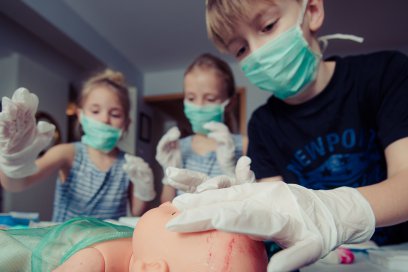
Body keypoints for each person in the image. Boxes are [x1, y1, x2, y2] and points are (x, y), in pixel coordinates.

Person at [164, 0, 408, 271]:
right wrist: (248, 204)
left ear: (312, 11)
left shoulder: (386, 74)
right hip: (318, 259)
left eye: (268, 26)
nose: (258, 52)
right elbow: (278, 215)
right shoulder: (262, 126)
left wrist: (337, 211)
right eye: (241, 49)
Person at [0, 69, 156, 222]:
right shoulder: (67, 153)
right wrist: (13, 160)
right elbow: (17, 185)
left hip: (107, 245)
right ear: (80, 115)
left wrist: (144, 190)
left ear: (127, 122)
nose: (104, 119)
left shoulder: (130, 164)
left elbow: (136, 211)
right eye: (95, 111)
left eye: (115, 114)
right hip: (68, 245)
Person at [0, 202, 268, 272]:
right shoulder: (140, 249)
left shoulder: (93, 262)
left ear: (152, 269)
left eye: (174, 214)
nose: (174, 203)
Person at [156, 53, 247, 202]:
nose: (198, 106)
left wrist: (230, 170)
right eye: (191, 98)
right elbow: (166, 205)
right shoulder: (179, 147)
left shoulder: (243, 145)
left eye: (210, 99)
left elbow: (251, 205)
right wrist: (168, 175)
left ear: (230, 103)